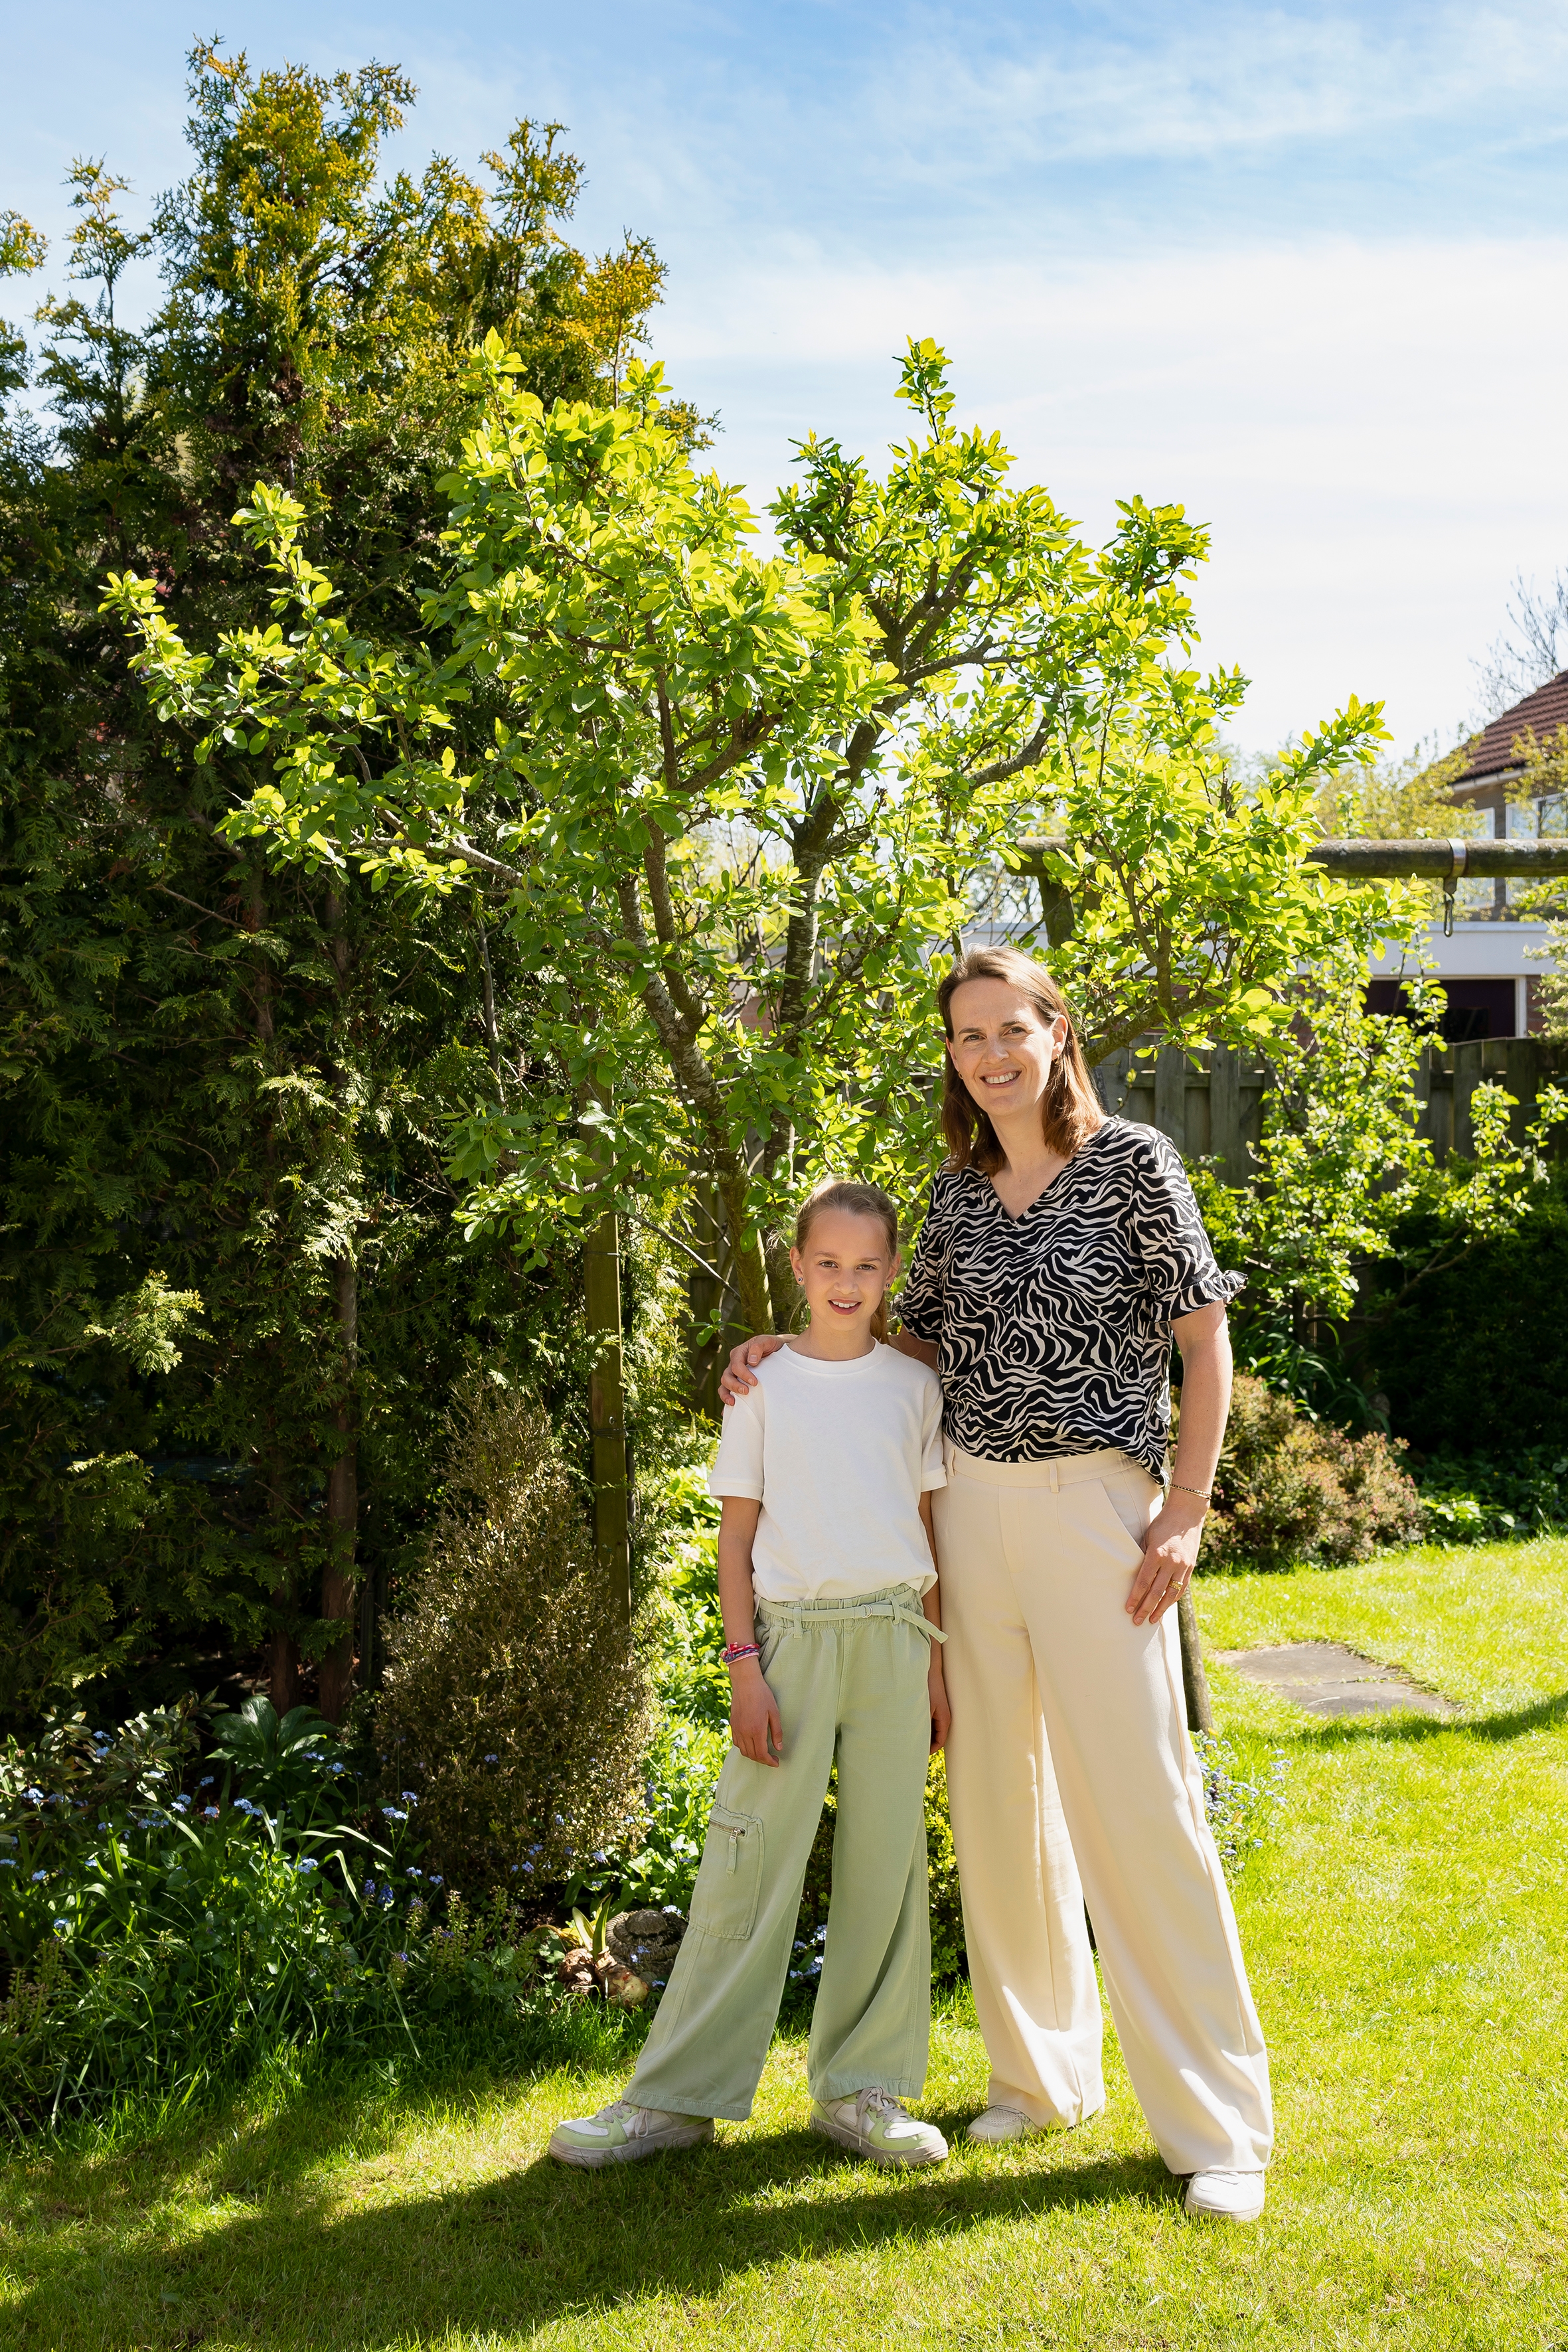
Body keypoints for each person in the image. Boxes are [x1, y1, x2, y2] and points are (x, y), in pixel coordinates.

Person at [720, 947, 1273, 2223]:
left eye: (1008, 1029)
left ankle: (1216, 2127)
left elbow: (1204, 1341)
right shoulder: (957, 1194)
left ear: (1055, 1029)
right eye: (967, 1037)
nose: (989, 1055)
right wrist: (787, 1349)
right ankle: (1038, 2077)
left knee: (1142, 1807)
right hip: (967, 1508)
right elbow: (911, 1344)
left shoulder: (1134, 1163)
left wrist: (1183, 1514)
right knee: (996, 1799)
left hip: (1100, 1515)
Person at [549, 1178, 953, 2171]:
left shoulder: (914, 1387)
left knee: (885, 1871)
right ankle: (675, 2099)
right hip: (790, 1645)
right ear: (796, 1267)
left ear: (891, 1270)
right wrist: (744, 1671)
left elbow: (931, 1530)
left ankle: (863, 2093)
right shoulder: (761, 1387)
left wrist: (939, 1671)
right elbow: (734, 1548)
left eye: (867, 1265)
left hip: (899, 1643)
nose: (847, 1282)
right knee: (745, 1864)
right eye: (828, 1264)